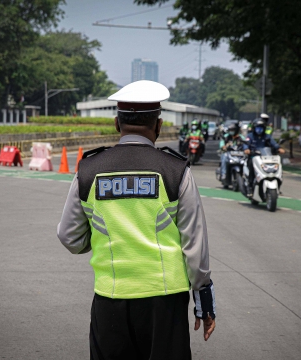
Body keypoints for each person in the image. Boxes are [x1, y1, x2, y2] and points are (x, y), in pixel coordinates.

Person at [57, 80, 216, 360]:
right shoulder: (175, 171)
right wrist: (204, 302)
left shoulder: (89, 169)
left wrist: (101, 239)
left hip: (110, 299)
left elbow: (70, 237)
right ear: (158, 125)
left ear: (117, 124)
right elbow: (195, 245)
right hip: (165, 303)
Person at [243, 114, 285, 197]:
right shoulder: (250, 136)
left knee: (278, 167)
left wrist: (278, 148)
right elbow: (246, 144)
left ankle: (278, 185)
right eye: (258, 128)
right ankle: (250, 187)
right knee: (251, 165)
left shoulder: (267, 136)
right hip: (253, 157)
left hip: (266, 158)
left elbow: (274, 143)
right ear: (254, 128)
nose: (259, 130)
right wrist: (247, 149)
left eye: (261, 128)